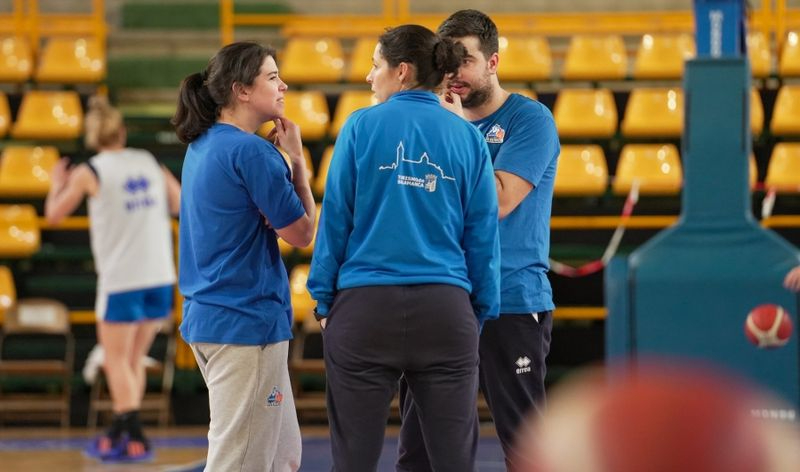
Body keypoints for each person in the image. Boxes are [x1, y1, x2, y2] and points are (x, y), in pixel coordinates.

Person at [307, 24, 500, 472]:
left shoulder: (360, 125)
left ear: (402, 71)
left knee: (353, 460)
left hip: (365, 309)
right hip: (446, 311)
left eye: (376, 66)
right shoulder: (467, 136)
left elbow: (336, 217)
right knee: (454, 462)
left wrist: (322, 299)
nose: (369, 77)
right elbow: (482, 234)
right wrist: (480, 309)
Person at [398, 9, 560, 471]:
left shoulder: (530, 119)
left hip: (509, 298)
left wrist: (454, 131)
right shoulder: (434, 121)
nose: (453, 75)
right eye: (446, 63)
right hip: (441, 299)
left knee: (526, 445)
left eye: (464, 61)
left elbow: (502, 200)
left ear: (492, 61)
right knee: (419, 451)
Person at [173, 41, 316, 471]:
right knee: (242, 463)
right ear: (242, 90)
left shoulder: (204, 144)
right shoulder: (252, 152)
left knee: (282, 458)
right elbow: (303, 232)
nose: (283, 84)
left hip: (217, 319)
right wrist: (298, 164)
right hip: (244, 325)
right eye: (272, 77)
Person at [45, 95, 181, 462]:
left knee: (116, 359)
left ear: (92, 137)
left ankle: (132, 430)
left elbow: (54, 215)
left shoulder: (90, 171)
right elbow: (180, 204)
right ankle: (123, 427)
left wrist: (57, 183)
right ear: (121, 131)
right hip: (160, 275)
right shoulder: (148, 161)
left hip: (122, 277)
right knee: (133, 359)